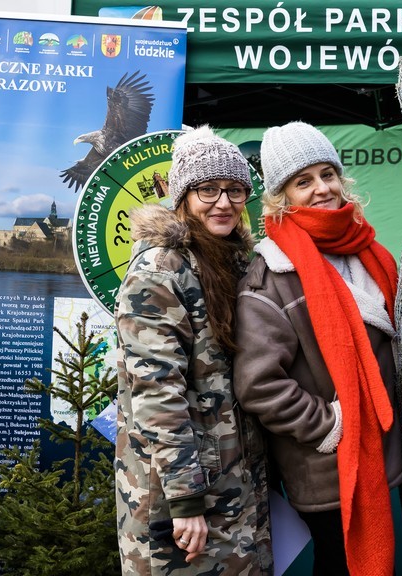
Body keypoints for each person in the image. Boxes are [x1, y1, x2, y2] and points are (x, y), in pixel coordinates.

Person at [233, 121, 402, 576]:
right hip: (328, 463)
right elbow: (259, 385)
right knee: (340, 566)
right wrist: (332, 425)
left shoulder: (369, 251)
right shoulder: (272, 275)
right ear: (281, 197)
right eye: (303, 181)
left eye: (327, 174)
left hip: (382, 450)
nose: (322, 189)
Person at [114, 126, 272, 576]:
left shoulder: (232, 260)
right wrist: (185, 500)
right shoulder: (159, 271)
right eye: (208, 189)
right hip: (180, 492)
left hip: (236, 480)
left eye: (235, 190)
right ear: (183, 195)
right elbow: (157, 391)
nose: (224, 202)